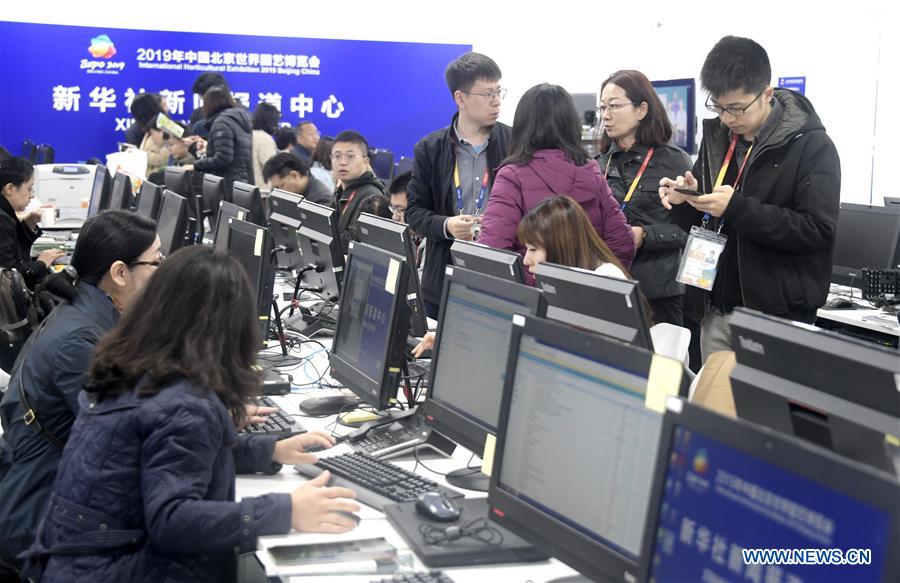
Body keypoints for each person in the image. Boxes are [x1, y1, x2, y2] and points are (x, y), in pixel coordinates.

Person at [21, 246, 359, 582]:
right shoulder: (184, 402)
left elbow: (164, 456)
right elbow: (171, 520)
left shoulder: (134, 366)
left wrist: (267, 450)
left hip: (75, 564)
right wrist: (286, 511)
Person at [659, 36, 840, 362]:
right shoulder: (717, 142)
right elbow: (708, 225)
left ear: (766, 95)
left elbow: (816, 230)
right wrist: (687, 201)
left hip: (775, 316)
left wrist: (737, 208)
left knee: (763, 410)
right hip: (715, 309)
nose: (727, 118)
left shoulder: (812, 147)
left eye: (737, 108)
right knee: (712, 406)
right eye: (718, 106)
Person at [0, 211, 160, 577]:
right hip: (41, 515)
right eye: (157, 261)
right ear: (120, 273)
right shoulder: (82, 342)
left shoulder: (90, 313)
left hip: (56, 494)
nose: (164, 270)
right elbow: (135, 442)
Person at [412, 194, 628, 358]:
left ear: (561, 246)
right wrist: (450, 334)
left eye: (533, 250)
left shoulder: (606, 281)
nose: (525, 261)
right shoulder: (560, 287)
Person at [478, 83, 635, 274]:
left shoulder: (512, 176)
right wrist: (591, 286)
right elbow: (622, 243)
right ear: (571, 123)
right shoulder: (591, 169)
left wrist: (545, 286)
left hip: (533, 297)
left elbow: (493, 254)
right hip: (586, 299)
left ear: (522, 126)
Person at [405, 52, 512, 318]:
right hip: (443, 277)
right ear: (460, 98)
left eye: (499, 92)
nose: (496, 101)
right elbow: (415, 212)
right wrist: (447, 225)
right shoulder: (430, 148)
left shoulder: (515, 142)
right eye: (487, 94)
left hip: (502, 279)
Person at [595, 70, 693, 326]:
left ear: (641, 110)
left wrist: (646, 235)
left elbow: (691, 230)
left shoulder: (674, 161)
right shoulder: (599, 162)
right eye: (603, 107)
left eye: (614, 106)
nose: (606, 115)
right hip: (608, 283)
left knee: (661, 366)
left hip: (658, 291)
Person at [0, 157, 63, 291]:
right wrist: (41, 263)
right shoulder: (2, 219)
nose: (32, 196)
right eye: (29, 189)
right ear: (10, 188)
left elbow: (13, 250)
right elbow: (9, 277)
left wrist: (30, 222)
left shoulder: (5, 213)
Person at [184, 85, 253, 191]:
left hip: (227, 185)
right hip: (241, 183)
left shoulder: (222, 122)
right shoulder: (237, 120)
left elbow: (223, 158)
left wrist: (195, 166)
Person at [331, 130, 386, 250]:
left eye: (350, 156)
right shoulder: (342, 189)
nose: (342, 162)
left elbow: (355, 241)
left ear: (365, 162)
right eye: (337, 156)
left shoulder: (371, 195)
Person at [262, 152, 334, 206]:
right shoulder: (295, 193)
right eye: (277, 188)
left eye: (282, 186)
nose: (279, 192)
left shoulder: (322, 200)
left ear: (294, 175)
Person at [188, 72, 229, 140]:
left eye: (203, 97)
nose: (202, 99)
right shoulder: (198, 114)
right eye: (200, 97)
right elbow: (189, 137)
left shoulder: (240, 116)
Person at [250, 102, 280, 190]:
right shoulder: (265, 139)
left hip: (248, 190)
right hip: (262, 192)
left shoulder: (249, 134)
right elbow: (271, 166)